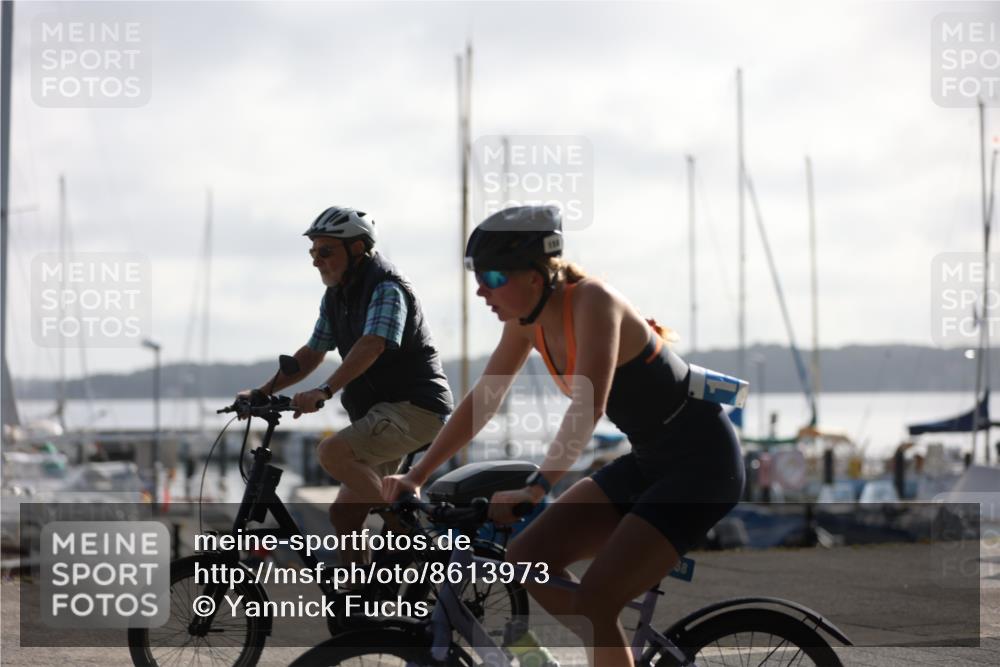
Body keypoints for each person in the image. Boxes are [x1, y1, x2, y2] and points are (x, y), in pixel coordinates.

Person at [383, 205, 745, 666]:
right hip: (651, 458)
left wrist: (538, 486)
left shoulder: (595, 301)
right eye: (478, 276)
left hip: (701, 465)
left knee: (597, 600)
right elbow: (485, 400)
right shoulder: (526, 323)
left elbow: (587, 407)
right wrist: (417, 475)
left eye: (493, 277)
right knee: (526, 559)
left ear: (536, 275)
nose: (480, 290)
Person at [240, 206, 453, 567]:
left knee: (332, 453)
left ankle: (406, 529)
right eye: (313, 253)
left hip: (416, 407)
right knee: (344, 516)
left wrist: (324, 391)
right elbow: (311, 354)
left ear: (357, 249)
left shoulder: (386, 288)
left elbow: (373, 344)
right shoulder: (336, 296)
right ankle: (361, 600)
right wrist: (261, 393)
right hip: (383, 414)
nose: (316, 261)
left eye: (325, 251)